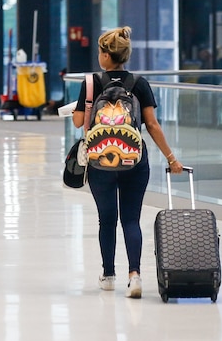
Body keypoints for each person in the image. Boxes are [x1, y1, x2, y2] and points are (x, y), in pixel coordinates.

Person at [73, 26, 183, 299]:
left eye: (100, 51)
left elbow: (78, 123)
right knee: (131, 220)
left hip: (100, 162)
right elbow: (153, 125)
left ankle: (108, 275)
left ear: (107, 56)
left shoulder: (91, 84)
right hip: (135, 160)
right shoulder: (139, 83)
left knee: (106, 220)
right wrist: (171, 157)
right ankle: (134, 275)